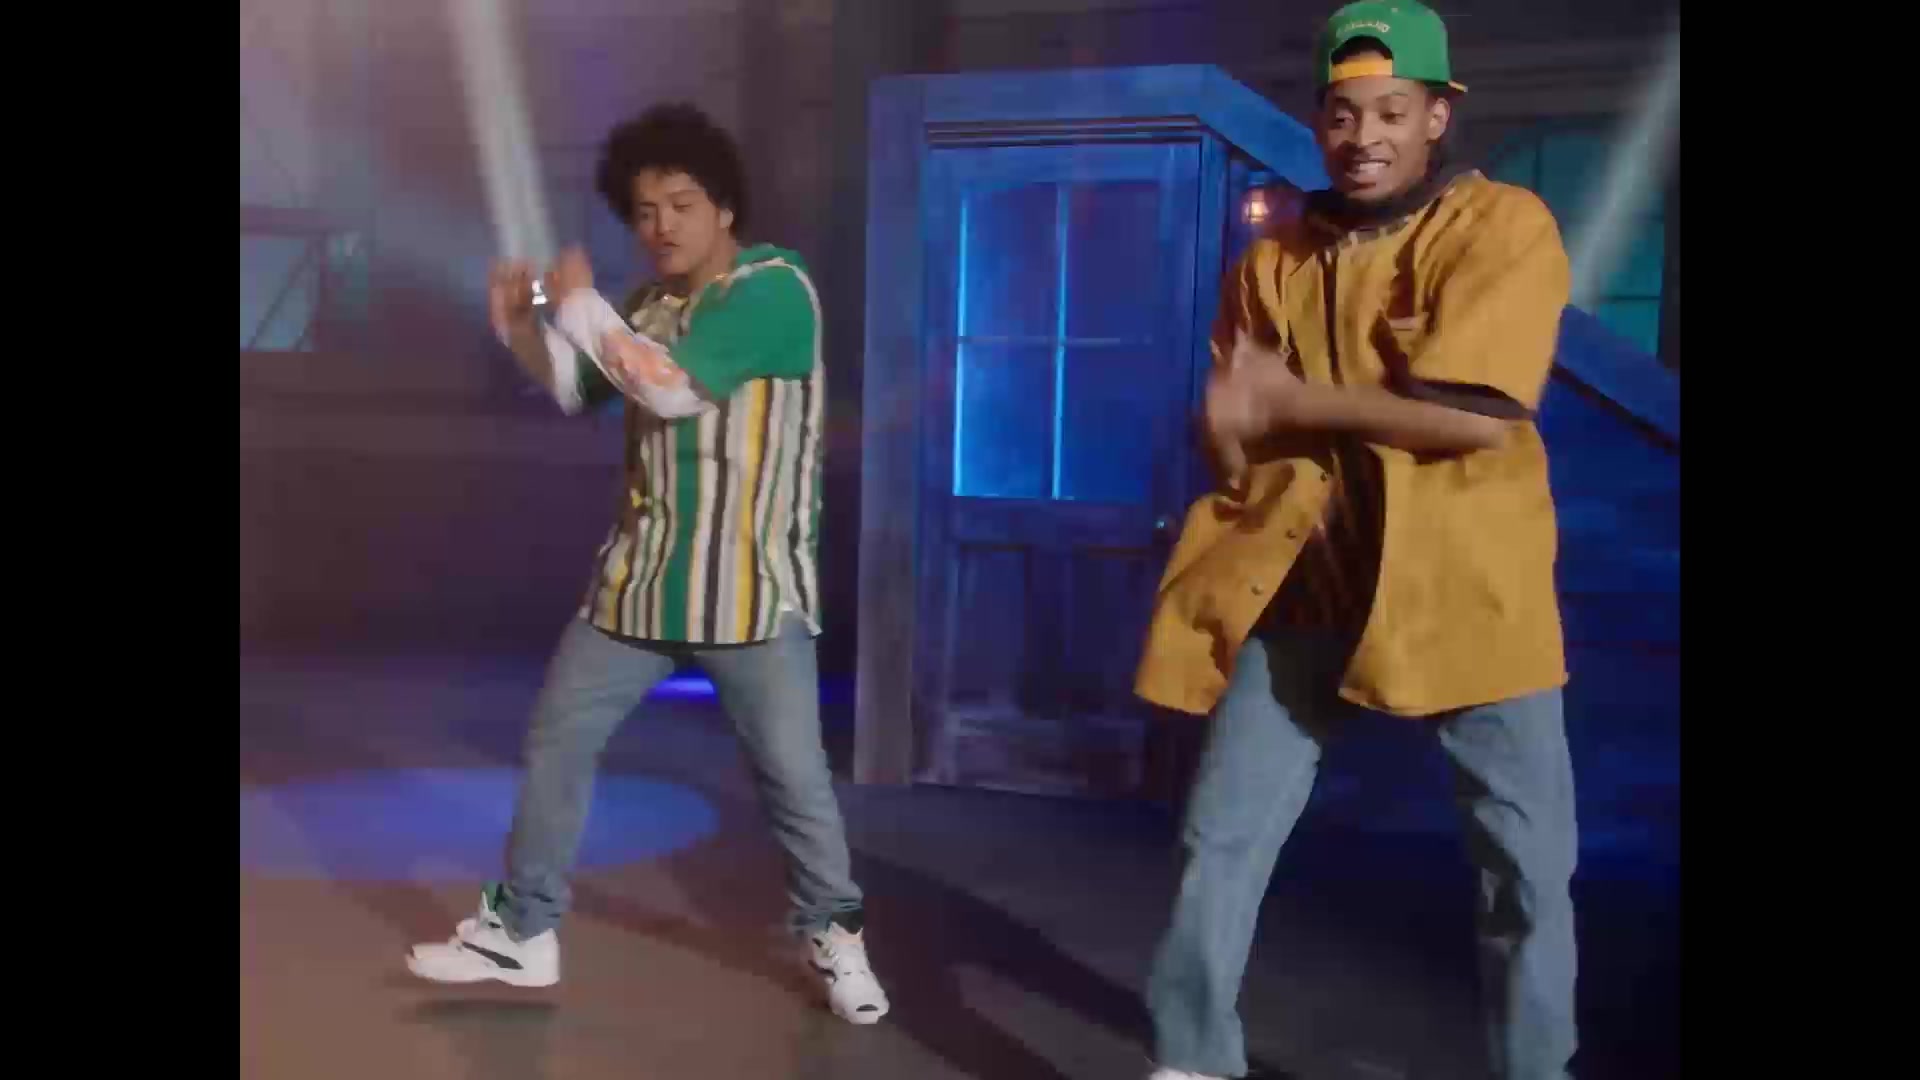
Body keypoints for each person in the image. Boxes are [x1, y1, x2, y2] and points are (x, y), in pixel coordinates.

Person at [1134, 3, 1579, 1077]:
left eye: (1390, 111)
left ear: (1436, 116)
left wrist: (1289, 401)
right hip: (1302, 585)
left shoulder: (1502, 227)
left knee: (1524, 866)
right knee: (1218, 837)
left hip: (1469, 590)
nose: (1363, 136)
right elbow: (1236, 422)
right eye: (1342, 114)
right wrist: (1228, 423)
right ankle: (1190, 1058)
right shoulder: (1274, 260)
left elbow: (1479, 416)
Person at [405, 102, 891, 1027]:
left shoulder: (773, 290)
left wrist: (577, 305)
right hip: (639, 582)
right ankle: (525, 930)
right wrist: (520, 327)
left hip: (751, 591)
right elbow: (579, 386)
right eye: (644, 211)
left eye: (680, 204)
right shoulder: (646, 306)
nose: (660, 225)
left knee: (794, 780)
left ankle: (833, 932)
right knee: (559, 737)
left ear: (725, 208)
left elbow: (667, 390)